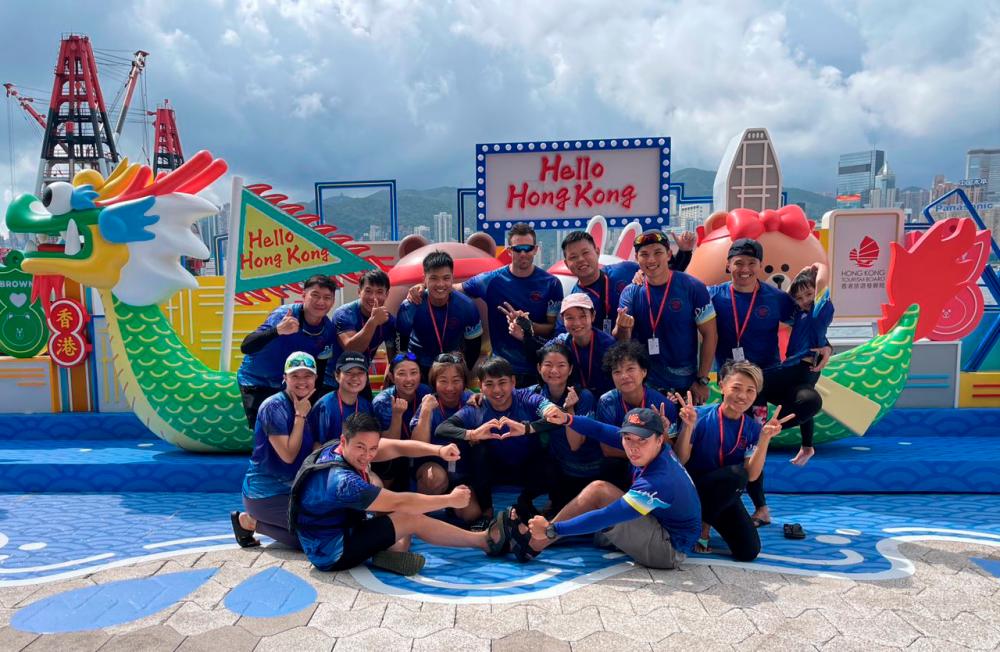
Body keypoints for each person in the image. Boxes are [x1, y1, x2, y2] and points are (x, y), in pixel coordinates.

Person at [290, 412, 511, 575]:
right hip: (331, 552)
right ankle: (482, 541)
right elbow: (401, 502)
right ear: (344, 441)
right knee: (408, 518)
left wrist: (438, 451)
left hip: (333, 531)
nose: (367, 455)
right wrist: (450, 499)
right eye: (360, 447)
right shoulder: (343, 483)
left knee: (396, 524)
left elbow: (398, 447)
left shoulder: (336, 449)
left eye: (373, 448)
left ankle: (385, 552)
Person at [708, 238, 831, 526]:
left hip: (769, 377)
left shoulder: (776, 298)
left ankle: (767, 434)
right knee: (747, 446)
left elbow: (810, 318)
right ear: (728, 265)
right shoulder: (712, 295)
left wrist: (826, 347)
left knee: (809, 401)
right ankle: (758, 506)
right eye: (739, 263)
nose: (745, 269)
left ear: (760, 267)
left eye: (752, 263)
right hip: (736, 385)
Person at [497, 406, 700, 569]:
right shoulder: (655, 449)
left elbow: (608, 515)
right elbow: (600, 430)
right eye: (627, 438)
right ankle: (542, 533)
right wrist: (567, 419)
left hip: (670, 549)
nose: (633, 447)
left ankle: (534, 544)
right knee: (591, 517)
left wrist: (551, 530)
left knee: (598, 494)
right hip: (658, 522)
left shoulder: (660, 480)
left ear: (659, 440)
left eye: (642, 440)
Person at [671, 361, 794, 561]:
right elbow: (680, 460)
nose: (742, 396)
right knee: (736, 475)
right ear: (721, 385)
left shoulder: (753, 429)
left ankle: (707, 517)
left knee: (748, 551)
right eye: (736, 388)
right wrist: (688, 427)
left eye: (750, 390)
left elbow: (752, 475)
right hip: (692, 489)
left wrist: (764, 439)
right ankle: (702, 525)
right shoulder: (699, 416)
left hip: (725, 492)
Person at [434, 356, 560, 520]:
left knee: (551, 462)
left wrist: (527, 428)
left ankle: (529, 502)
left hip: (526, 467)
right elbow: (442, 429)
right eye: (489, 384)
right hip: (494, 471)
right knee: (479, 452)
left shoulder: (526, 398)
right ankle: (487, 511)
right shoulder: (476, 408)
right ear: (480, 386)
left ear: (513, 382)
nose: (497, 390)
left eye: (502, 382)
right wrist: (473, 434)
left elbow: (558, 416)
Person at [615, 230, 717, 403]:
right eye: (644, 254)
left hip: (685, 381)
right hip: (645, 383)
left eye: (658, 253)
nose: (651, 260)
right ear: (637, 259)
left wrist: (702, 379)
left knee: (686, 429)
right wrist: (623, 328)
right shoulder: (631, 292)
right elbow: (623, 341)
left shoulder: (693, 287)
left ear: (669, 254)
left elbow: (710, 335)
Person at [231, 351, 319, 549]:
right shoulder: (273, 407)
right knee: (311, 541)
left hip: (293, 490)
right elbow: (288, 455)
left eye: (307, 375)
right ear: (284, 378)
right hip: (265, 494)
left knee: (328, 527)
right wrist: (299, 417)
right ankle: (249, 522)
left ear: (315, 378)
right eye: (295, 375)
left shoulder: (307, 405)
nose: (301, 381)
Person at [462, 223, 564, 387]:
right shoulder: (491, 280)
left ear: (536, 249)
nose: (523, 253)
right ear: (509, 250)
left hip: (538, 369)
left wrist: (528, 326)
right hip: (501, 371)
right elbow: (453, 288)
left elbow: (552, 328)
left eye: (528, 248)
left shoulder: (551, 284)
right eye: (517, 249)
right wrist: (421, 288)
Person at [237, 275, 338, 428]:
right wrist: (277, 330)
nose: (321, 302)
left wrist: (310, 401)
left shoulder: (328, 330)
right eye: (315, 295)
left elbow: (320, 369)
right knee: (269, 432)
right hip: (256, 381)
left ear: (332, 302)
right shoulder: (284, 315)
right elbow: (246, 346)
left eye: (327, 297)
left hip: (288, 386)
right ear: (303, 296)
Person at [560, 230, 696, 333]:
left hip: (643, 353)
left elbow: (665, 273)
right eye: (573, 257)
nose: (581, 260)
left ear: (597, 251)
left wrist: (684, 252)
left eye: (585, 253)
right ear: (566, 263)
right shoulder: (575, 299)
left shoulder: (625, 270)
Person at [526, 342, 603, 516]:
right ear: (539, 368)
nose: (554, 371)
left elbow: (575, 445)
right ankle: (551, 501)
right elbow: (507, 396)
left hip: (589, 470)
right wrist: (478, 397)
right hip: (559, 469)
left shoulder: (584, 397)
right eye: (548, 365)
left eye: (561, 365)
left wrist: (570, 410)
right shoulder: (535, 393)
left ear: (570, 370)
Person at [595, 340, 679, 489]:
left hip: (654, 462)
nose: (624, 376)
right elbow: (607, 449)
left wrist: (663, 431)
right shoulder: (606, 402)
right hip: (624, 460)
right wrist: (638, 456)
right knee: (609, 466)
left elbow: (671, 449)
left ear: (644, 371)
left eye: (630, 369)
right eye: (617, 372)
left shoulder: (663, 404)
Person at [396, 251, 483, 381]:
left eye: (446, 278)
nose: (440, 284)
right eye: (434, 278)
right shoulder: (410, 306)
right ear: (424, 279)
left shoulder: (467, 306)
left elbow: (474, 346)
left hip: (451, 368)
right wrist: (404, 368)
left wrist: (463, 372)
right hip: (418, 368)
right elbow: (401, 345)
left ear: (452, 278)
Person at [510, 293, 617, 396]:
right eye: (569, 317)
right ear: (562, 319)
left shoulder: (608, 344)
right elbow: (540, 354)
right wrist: (526, 335)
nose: (577, 323)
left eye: (582, 316)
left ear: (593, 316)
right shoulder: (562, 341)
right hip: (573, 397)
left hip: (604, 399)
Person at [784, 266, 835, 466]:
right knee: (801, 404)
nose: (805, 300)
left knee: (803, 403)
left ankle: (768, 433)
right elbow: (789, 296)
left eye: (809, 294)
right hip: (795, 367)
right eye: (800, 298)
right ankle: (807, 447)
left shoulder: (820, 310)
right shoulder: (801, 313)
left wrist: (815, 267)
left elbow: (822, 281)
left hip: (806, 369)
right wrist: (799, 278)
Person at [323, 269, 398, 393]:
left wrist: (388, 378)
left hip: (361, 379)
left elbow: (394, 356)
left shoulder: (389, 321)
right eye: (368, 291)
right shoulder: (344, 314)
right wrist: (373, 322)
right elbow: (352, 350)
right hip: (333, 380)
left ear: (387, 294)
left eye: (379, 292)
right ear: (359, 292)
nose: (373, 297)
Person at [372, 352, 432, 491]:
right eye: (402, 374)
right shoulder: (382, 401)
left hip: (418, 452)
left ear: (420, 375)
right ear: (392, 377)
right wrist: (397, 415)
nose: (409, 379)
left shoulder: (425, 392)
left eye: (413, 372)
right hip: (393, 457)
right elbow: (386, 446)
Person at [310, 351, 374, 445]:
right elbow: (316, 445)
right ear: (337, 376)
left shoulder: (366, 406)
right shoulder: (324, 407)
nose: (355, 377)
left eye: (360, 373)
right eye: (348, 372)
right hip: (328, 458)